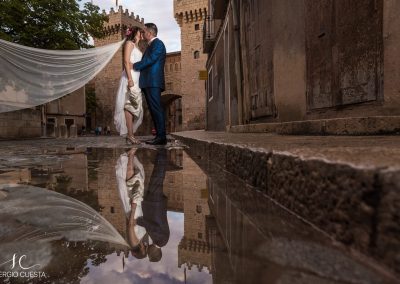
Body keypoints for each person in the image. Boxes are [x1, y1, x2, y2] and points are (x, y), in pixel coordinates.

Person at [133, 23, 167, 146]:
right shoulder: (151, 45)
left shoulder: (158, 44)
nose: (143, 34)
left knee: (156, 109)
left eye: (144, 32)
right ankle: (159, 136)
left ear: (150, 33)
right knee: (153, 110)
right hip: (148, 82)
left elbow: (151, 59)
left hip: (153, 81)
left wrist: (135, 66)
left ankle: (162, 137)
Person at [114, 26, 144, 145]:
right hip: (130, 76)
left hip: (137, 77)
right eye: (140, 32)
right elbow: (126, 61)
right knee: (129, 106)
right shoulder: (129, 43)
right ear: (135, 33)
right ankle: (130, 135)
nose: (142, 34)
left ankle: (130, 134)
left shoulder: (137, 46)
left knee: (134, 106)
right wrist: (130, 79)